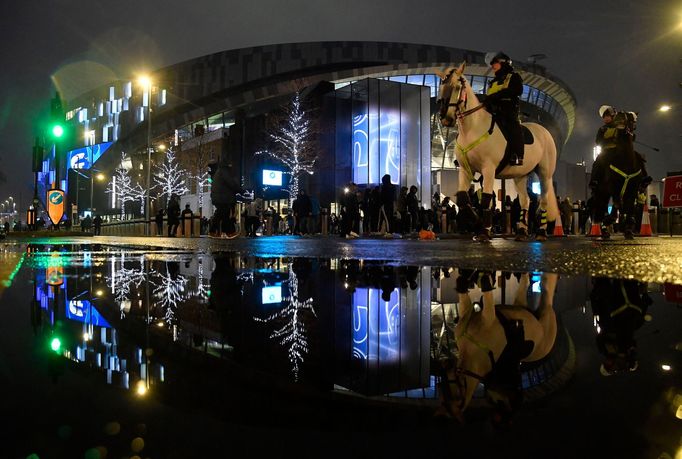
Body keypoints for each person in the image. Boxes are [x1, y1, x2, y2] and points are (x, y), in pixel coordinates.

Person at [484, 51, 524, 166]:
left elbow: (517, 90)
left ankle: (517, 155)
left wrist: (498, 95)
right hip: (493, 110)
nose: (492, 66)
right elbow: (489, 96)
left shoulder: (514, 77)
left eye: (494, 63)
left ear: (502, 62)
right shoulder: (492, 82)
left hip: (508, 109)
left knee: (512, 126)